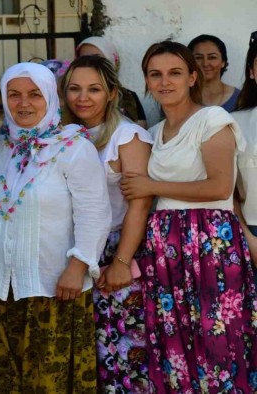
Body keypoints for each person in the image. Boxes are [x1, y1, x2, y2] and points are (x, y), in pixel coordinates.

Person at [120, 41, 257, 392]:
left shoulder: (212, 119)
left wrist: (152, 183)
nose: (165, 82)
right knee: (175, 342)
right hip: (166, 247)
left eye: (175, 73)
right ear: (147, 81)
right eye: (156, 74)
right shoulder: (152, 135)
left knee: (218, 341)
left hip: (211, 242)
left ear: (192, 77)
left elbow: (220, 186)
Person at [0, 62, 111, 393]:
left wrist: (78, 264)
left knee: (48, 382)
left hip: (53, 284)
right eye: (14, 95)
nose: (24, 103)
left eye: (34, 94)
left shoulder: (73, 146)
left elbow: (94, 210)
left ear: (51, 97)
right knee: (4, 380)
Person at [62, 55, 152, 392]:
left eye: (94, 89)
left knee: (122, 354)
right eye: (74, 88)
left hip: (114, 251)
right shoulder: (61, 136)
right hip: (72, 253)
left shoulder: (127, 137)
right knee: (85, 352)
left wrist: (122, 262)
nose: (82, 97)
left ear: (112, 93)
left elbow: (139, 204)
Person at [77, 36, 148, 128]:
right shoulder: (68, 96)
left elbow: (141, 128)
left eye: (97, 58)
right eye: (83, 59)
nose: (90, 64)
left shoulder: (128, 97)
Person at [233, 32, 257, 264]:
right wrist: (248, 238)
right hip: (249, 233)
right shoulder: (233, 123)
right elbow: (226, 190)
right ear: (252, 72)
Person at [188, 34, 241, 112]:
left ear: (223, 62)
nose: (205, 63)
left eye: (212, 57)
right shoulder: (179, 98)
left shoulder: (241, 99)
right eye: (198, 58)